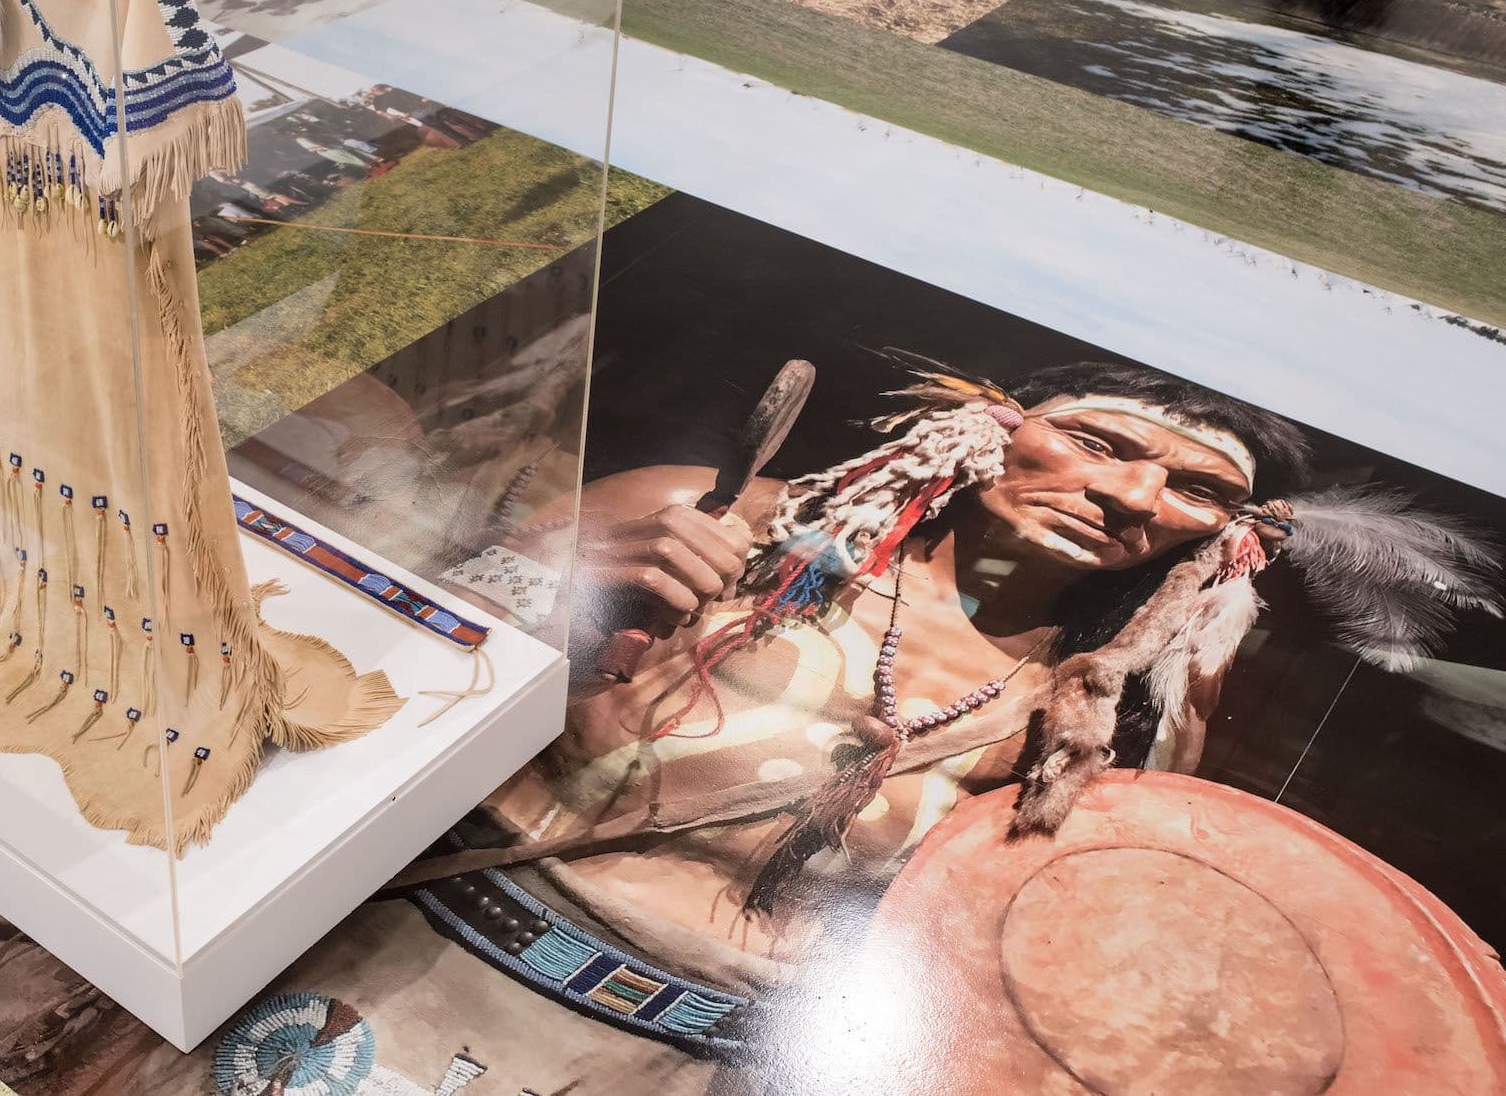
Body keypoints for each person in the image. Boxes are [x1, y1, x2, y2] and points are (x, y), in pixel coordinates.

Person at [159, 358, 1495, 1092]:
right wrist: (555, 576)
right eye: (1101, 442)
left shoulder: (1101, 716)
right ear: (992, 425)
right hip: (403, 957)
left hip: (680, 1062)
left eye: (1195, 490)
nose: (1134, 497)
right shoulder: (729, 518)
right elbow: (346, 660)